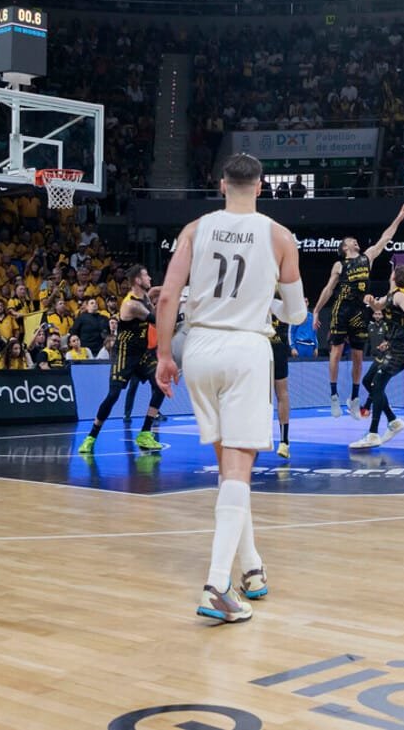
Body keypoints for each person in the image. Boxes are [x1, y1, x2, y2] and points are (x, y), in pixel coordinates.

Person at [154, 152, 306, 624]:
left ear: (222, 185)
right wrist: (268, 307)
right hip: (245, 350)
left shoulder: (195, 230)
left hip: (197, 347)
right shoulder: (280, 237)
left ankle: (251, 569)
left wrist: (163, 355)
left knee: (228, 467)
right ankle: (217, 585)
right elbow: (297, 314)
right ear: (260, 187)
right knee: (240, 467)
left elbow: (165, 295)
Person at [312, 203, 404, 418]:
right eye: (350, 241)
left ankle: (354, 398)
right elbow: (328, 289)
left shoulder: (368, 257)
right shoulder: (339, 265)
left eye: (354, 240)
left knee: (357, 356)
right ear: (345, 247)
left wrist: (399, 218)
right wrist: (317, 311)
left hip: (359, 311)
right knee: (335, 353)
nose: (354, 241)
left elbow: (385, 238)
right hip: (341, 308)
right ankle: (334, 396)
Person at [79, 265, 165, 453]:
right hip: (124, 353)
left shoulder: (145, 296)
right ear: (137, 280)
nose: (150, 276)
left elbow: (157, 290)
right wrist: (181, 311)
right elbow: (157, 320)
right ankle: (91, 437)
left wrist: (178, 289)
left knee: (160, 385)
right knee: (113, 395)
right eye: (146, 275)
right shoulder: (131, 305)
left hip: (141, 353)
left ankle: (145, 433)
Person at [350, 265, 404, 448]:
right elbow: (378, 305)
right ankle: (393, 421)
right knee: (368, 381)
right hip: (391, 347)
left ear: (394, 276)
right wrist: (370, 300)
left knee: (377, 384)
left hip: (400, 348)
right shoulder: (391, 295)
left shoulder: (400, 296)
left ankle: (373, 434)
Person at [270, 307, 292, 459]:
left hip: (278, 348)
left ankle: (284, 441)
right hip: (262, 348)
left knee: (281, 393)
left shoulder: (282, 300)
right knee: (261, 395)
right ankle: (260, 438)